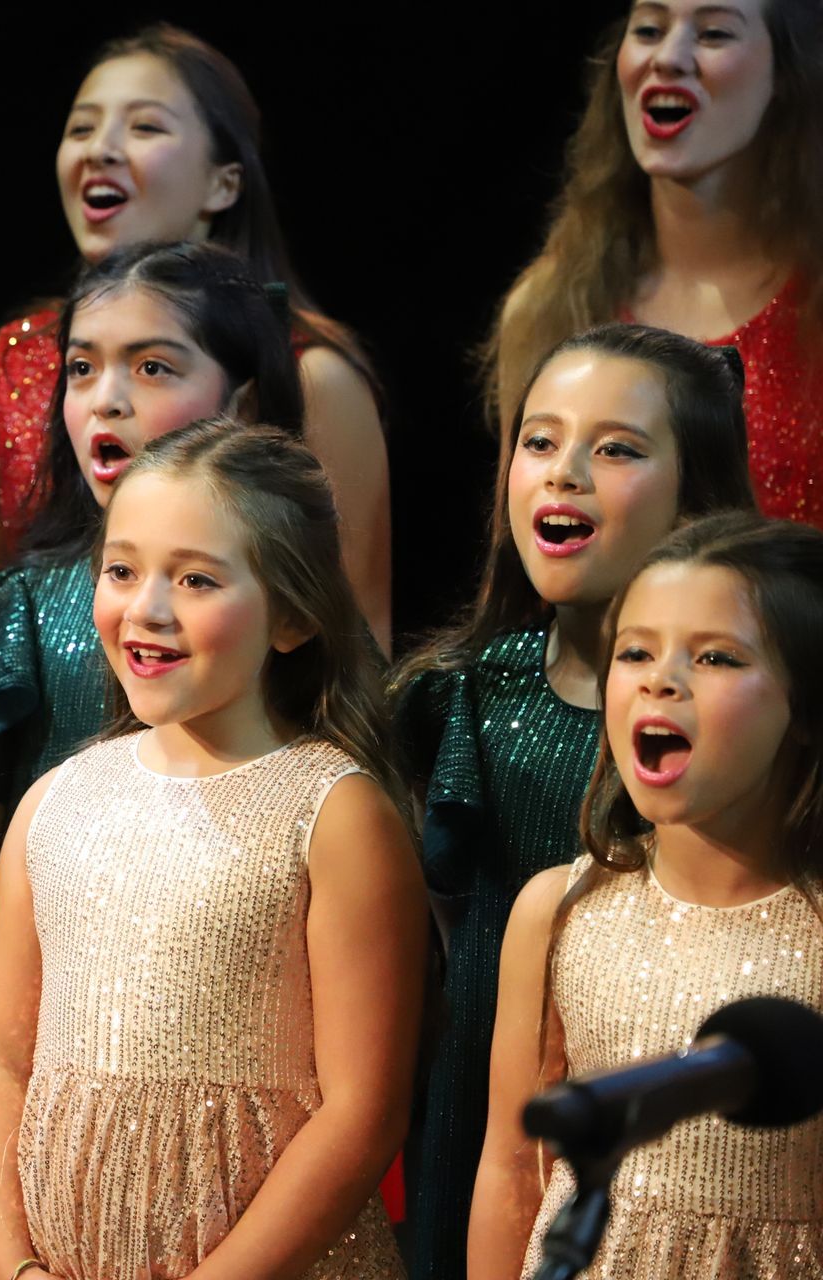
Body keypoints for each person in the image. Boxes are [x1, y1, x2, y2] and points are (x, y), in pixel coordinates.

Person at [0, 419, 423, 1279]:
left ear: (292, 616)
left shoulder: (332, 813)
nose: (147, 609)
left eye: (197, 579)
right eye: (122, 571)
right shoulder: (54, 804)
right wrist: (14, 1266)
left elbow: (362, 1113)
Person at [396, 324, 757, 1278]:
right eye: (541, 440)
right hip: (479, 1133)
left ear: (697, 492)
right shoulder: (457, 698)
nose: (565, 473)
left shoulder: (742, 728)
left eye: (618, 449)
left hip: (677, 1159)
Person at [0, 240, 303, 1069]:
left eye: (153, 368)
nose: (107, 399)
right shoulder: (25, 606)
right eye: (82, 368)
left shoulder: (273, 607)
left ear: (240, 401)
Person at [0, 22, 389, 649]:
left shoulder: (313, 375)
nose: (100, 150)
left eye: (145, 127)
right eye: (82, 128)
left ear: (224, 182)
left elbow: (359, 634)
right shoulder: (2, 364)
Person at [470, 512, 823, 1278]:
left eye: (717, 657)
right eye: (635, 652)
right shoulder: (560, 911)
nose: (661, 680)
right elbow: (512, 1165)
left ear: (804, 707)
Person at [487, 0, 823, 524]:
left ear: (786, 72)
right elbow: (519, 548)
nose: (668, 57)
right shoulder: (550, 305)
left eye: (713, 34)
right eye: (649, 29)